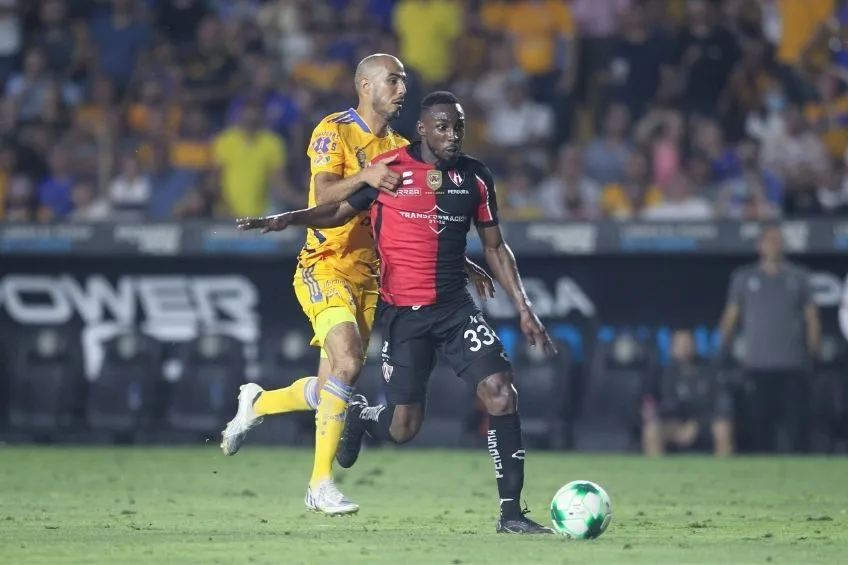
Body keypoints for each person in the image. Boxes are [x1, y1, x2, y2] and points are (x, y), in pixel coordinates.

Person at [237, 91, 557, 534]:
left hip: (456, 311)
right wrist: (288, 219)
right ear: (423, 130)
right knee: (404, 428)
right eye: (442, 126)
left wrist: (525, 309)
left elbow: (495, 246)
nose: (452, 135)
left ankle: (511, 514)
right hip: (405, 317)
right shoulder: (390, 171)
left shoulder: (476, 178)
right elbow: (336, 213)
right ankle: (363, 415)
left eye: (458, 126)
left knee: (501, 392)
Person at [220, 55, 494, 516]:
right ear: (365, 85)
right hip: (325, 265)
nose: (402, 88)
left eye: (405, 80)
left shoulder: (404, 146)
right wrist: (365, 175)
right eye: (393, 80)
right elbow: (324, 194)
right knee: (348, 362)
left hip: (371, 277)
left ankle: (259, 402)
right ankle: (319, 484)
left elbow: (418, 222)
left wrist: (463, 260)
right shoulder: (334, 129)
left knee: (333, 386)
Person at [718, 224, 821, 453]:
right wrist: (723, 347)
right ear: (759, 246)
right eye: (769, 240)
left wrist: (813, 353)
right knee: (760, 429)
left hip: (793, 364)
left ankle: (800, 477)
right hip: (757, 365)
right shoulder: (744, 278)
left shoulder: (799, 277)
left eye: (777, 240)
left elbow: (812, 318)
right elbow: (731, 316)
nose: (774, 245)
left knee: (797, 429)